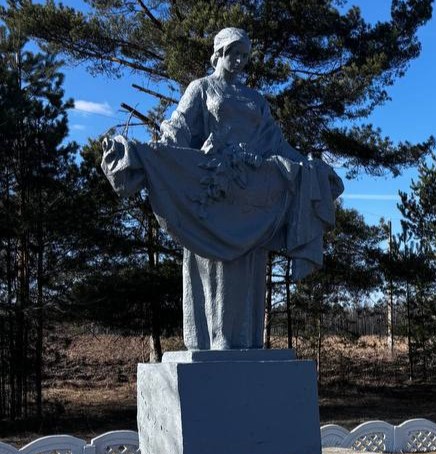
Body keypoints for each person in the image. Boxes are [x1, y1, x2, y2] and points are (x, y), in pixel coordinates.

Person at [101, 27, 343, 350]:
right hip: (213, 198)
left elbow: (277, 144)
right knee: (214, 270)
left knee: (248, 268)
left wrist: (311, 169)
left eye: (244, 55)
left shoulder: (256, 100)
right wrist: (152, 155)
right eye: (234, 53)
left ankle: (245, 342)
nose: (240, 61)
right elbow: (178, 130)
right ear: (219, 53)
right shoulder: (201, 88)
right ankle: (214, 342)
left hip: (252, 199)